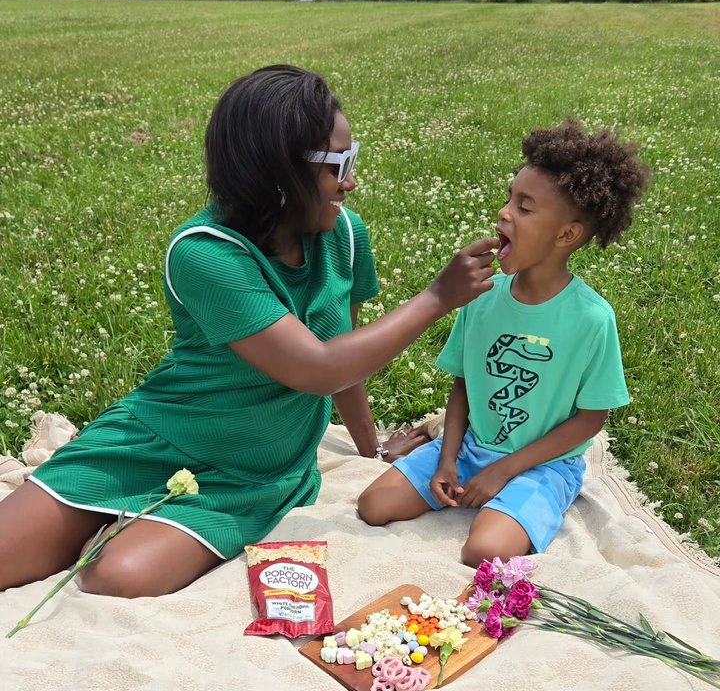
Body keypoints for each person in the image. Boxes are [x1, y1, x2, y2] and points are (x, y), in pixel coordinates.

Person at [0, 65, 498, 598]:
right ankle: (106, 516)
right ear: (278, 172)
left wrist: (369, 451)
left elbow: (346, 365)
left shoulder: (345, 236)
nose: (351, 181)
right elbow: (317, 368)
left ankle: (120, 532)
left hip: (254, 478)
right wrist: (436, 298)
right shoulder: (205, 253)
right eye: (339, 165)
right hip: (157, 439)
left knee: (112, 575)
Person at [358, 119, 650, 567]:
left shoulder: (591, 319)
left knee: (484, 551)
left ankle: (538, 500)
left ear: (567, 235)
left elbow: (591, 419)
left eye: (525, 207)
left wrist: (504, 471)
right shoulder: (482, 295)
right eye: (509, 197)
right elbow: (463, 385)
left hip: (543, 465)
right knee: (373, 506)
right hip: (472, 447)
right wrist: (448, 461)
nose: (504, 213)